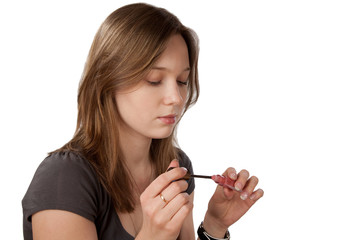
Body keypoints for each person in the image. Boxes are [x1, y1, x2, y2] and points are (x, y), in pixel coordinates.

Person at [22, 3, 264, 240]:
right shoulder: (64, 179)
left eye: (182, 81)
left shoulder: (176, 166)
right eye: (154, 80)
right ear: (108, 81)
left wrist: (214, 225)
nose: (176, 98)